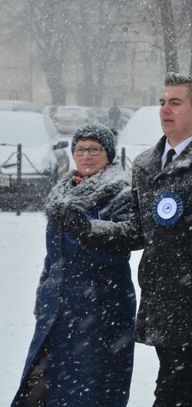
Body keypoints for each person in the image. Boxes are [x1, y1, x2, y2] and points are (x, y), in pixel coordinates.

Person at [57, 73, 192, 407]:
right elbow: (138, 231)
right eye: (162, 102)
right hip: (158, 288)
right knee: (180, 379)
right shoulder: (144, 164)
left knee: (174, 378)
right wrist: (91, 229)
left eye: (175, 102)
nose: (165, 110)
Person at [12, 124, 136, 406]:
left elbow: (120, 247)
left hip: (101, 310)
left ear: (109, 153)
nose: (87, 155)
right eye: (80, 149)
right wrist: (43, 295)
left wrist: (85, 230)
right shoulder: (62, 194)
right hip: (57, 310)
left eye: (95, 149)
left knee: (93, 388)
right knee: (42, 388)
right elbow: (52, 256)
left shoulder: (121, 193)